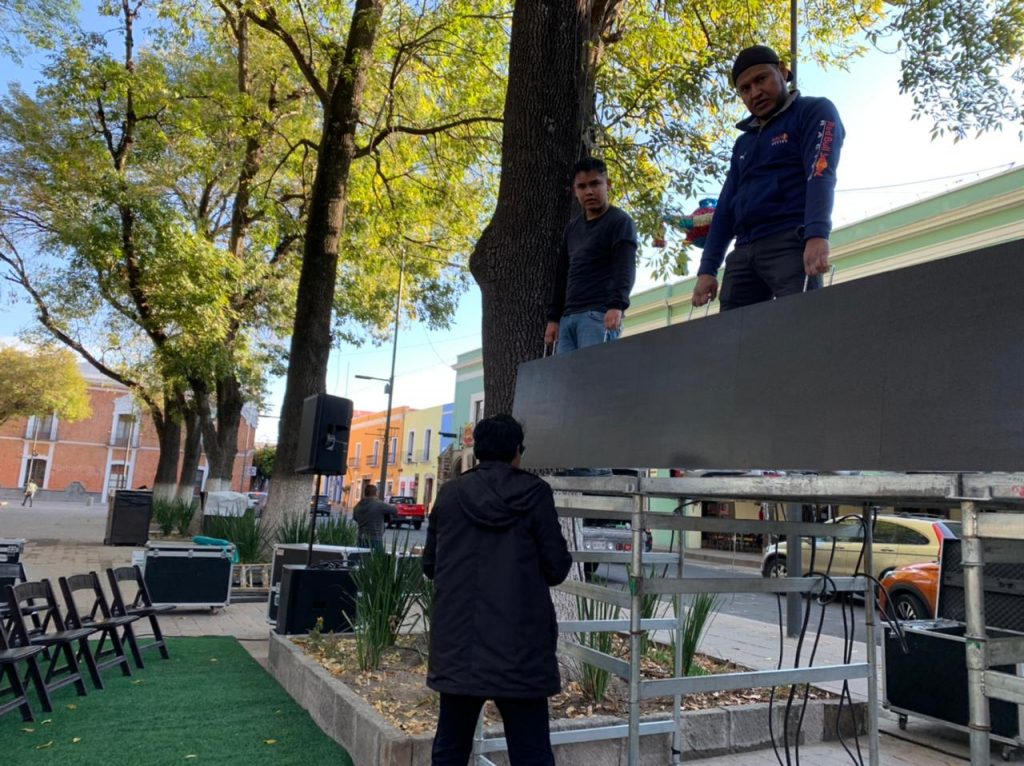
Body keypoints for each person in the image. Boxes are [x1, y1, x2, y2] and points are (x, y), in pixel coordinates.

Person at [423, 414, 573, 765]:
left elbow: (429, 565)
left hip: (459, 644)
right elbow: (557, 569)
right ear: (517, 451)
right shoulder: (535, 493)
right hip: (520, 647)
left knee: (450, 748)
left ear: (476, 450)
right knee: (531, 751)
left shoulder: (449, 494)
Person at [692, 45, 845, 311]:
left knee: (800, 325)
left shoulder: (813, 111)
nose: (755, 92)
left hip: (790, 243)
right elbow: (726, 205)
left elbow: (820, 172)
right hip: (743, 252)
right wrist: (708, 269)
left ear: (782, 71)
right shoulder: (743, 143)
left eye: (761, 79)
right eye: (745, 89)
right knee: (731, 334)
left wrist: (817, 234)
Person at [545, 156, 638, 352]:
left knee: (595, 372)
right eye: (582, 186)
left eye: (595, 183)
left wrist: (616, 305)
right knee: (565, 373)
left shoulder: (620, 221)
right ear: (575, 191)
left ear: (608, 185)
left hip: (599, 316)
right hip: (567, 320)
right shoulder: (572, 229)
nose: (589, 191)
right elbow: (562, 274)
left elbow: (625, 267)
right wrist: (554, 318)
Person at [352, 484, 394, 550]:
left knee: (361, 555)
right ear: (376, 493)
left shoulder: (358, 506)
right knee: (376, 556)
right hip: (375, 538)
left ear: (365, 493)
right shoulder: (379, 504)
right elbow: (394, 510)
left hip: (361, 538)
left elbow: (355, 518)